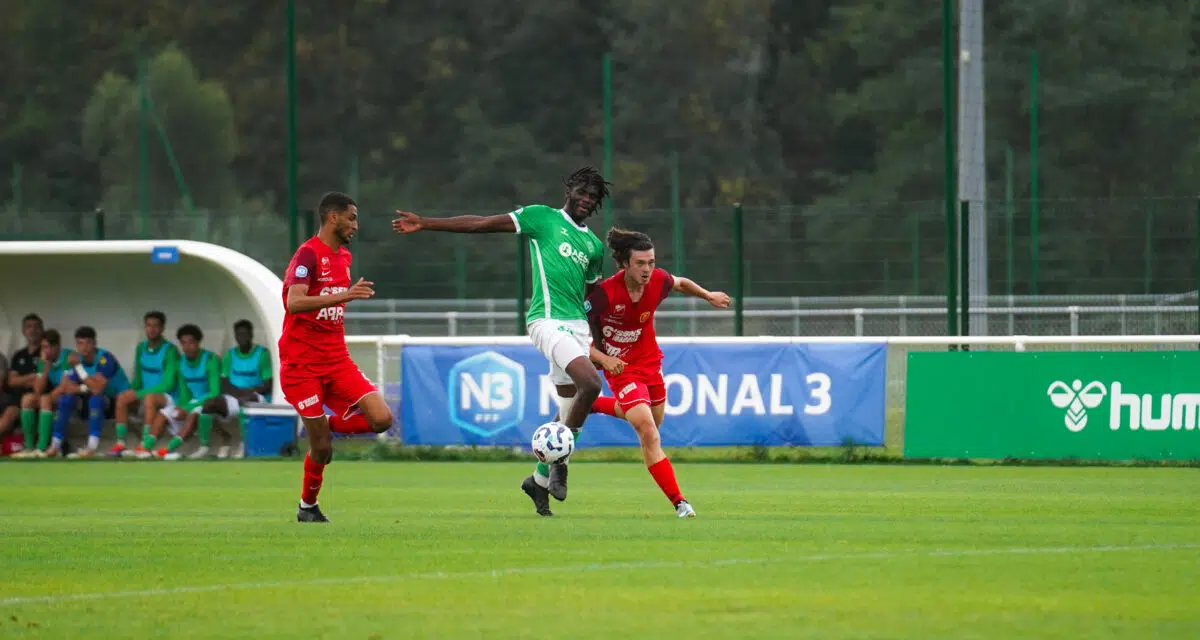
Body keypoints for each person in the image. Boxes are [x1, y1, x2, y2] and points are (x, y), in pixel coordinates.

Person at [393, 167, 611, 517]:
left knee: (569, 409)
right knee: (590, 384)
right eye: (582, 191)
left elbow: (591, 298)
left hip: (577, 329)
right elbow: (481, 224)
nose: (586, 199)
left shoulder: (594, 246)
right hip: (547, 322)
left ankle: (537, 483)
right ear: (568, 190)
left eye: (593, 196)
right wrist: (427, 222)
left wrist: (598, 343)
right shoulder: (541, 218)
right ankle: (561, 463)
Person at [586, 228, 731, 518]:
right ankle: (680, 502)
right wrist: (602, 358)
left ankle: (594, 404)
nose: (647, 269)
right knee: (648, 432)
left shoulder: (659, 281)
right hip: (621, 368)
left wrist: (707, 295)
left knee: (653, 420)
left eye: (651, 262)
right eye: (640, 263)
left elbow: (681, 283)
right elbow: (574, 336)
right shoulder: (603, 295)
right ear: (624, 264)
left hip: (650, 363)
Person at [281, 192, 393, 523]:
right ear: (334, 218)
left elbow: (329, 304)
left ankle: (324, 427)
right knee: (323, 451)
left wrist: (343, 296)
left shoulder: (343, 257)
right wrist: (346, 295)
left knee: (382, 419)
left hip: (336, 358)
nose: (356, 226)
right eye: (352, 218)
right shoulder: (307, 255)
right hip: (301, 364)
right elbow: (294, 303)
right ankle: (307, 507)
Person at [194, 319, 274, 459]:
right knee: (208, 405)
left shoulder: (262, 354)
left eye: (244, 334)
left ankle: (244, 445)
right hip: (235, 395)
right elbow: (224, 382)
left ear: (251, 335)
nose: (241, 337)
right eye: (238, 335)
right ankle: (207, 445)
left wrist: (249, 392)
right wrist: (237, 393)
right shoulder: (230, 355)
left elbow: (268, 384)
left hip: (256, 396)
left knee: (246, 402)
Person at [138, 324, 220, 460]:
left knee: (194, 414)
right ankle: (145, 447)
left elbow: (215, 392)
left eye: (191, 343)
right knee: (163, 414)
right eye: (183, 343)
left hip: (209, 403)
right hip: (189, 403)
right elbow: (184, 392)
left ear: (198, 342)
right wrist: (182, 407)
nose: (187, 347)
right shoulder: (180, 363)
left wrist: (187, 408)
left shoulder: (211, 360)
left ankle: (166, 450)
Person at [52, 326, 131, 458]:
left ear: (94, 343)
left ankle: (91, 447)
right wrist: (84, 386)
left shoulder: (105, 358)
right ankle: (55, 445)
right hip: (89, 397)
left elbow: (98, 389)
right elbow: (67, 387)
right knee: (66, 399)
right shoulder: (76, 359)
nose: (84, 347)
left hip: (117, 401)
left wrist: (78, 368)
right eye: (80, 343)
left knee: (96, 399)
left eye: (88, 343)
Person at [111, 311, 180, 456]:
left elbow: (168, 384)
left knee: (149, 397)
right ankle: (120, 444)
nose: (152, 329)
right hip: (147, 393)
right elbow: (138, 379)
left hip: (169, 396)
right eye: (149, 325)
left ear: (162, 329)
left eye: (156, 326)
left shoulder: (170, 350)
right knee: (122, 397)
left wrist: (139, 393)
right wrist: (131, 392)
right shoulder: (141, 347)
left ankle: (144, 443)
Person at [12, 329, 72, 458]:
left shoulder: (68, 357)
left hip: (71, 393)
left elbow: (65, 385)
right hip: (54, 394)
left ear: (56, 347)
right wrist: (44, 367)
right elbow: (37, 389)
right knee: (27, 399)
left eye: (48, 347)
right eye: (43, 347)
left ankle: (42, 447)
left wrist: (49, 397)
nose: (45, 350)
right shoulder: (43, 360)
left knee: (45, 399)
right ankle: (29, 447)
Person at [4, 314, 44, 452]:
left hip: (39, 398)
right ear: (23, 331)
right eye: (29, 327)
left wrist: (23, 380)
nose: (32, 330)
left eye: (36, 327)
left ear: (42, 330)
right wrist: (30, 378)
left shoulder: (46, 353)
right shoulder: (18, 355)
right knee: (10, 412)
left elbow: (41, 380)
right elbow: (11, 381)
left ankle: (31, 446)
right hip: (17, 400)